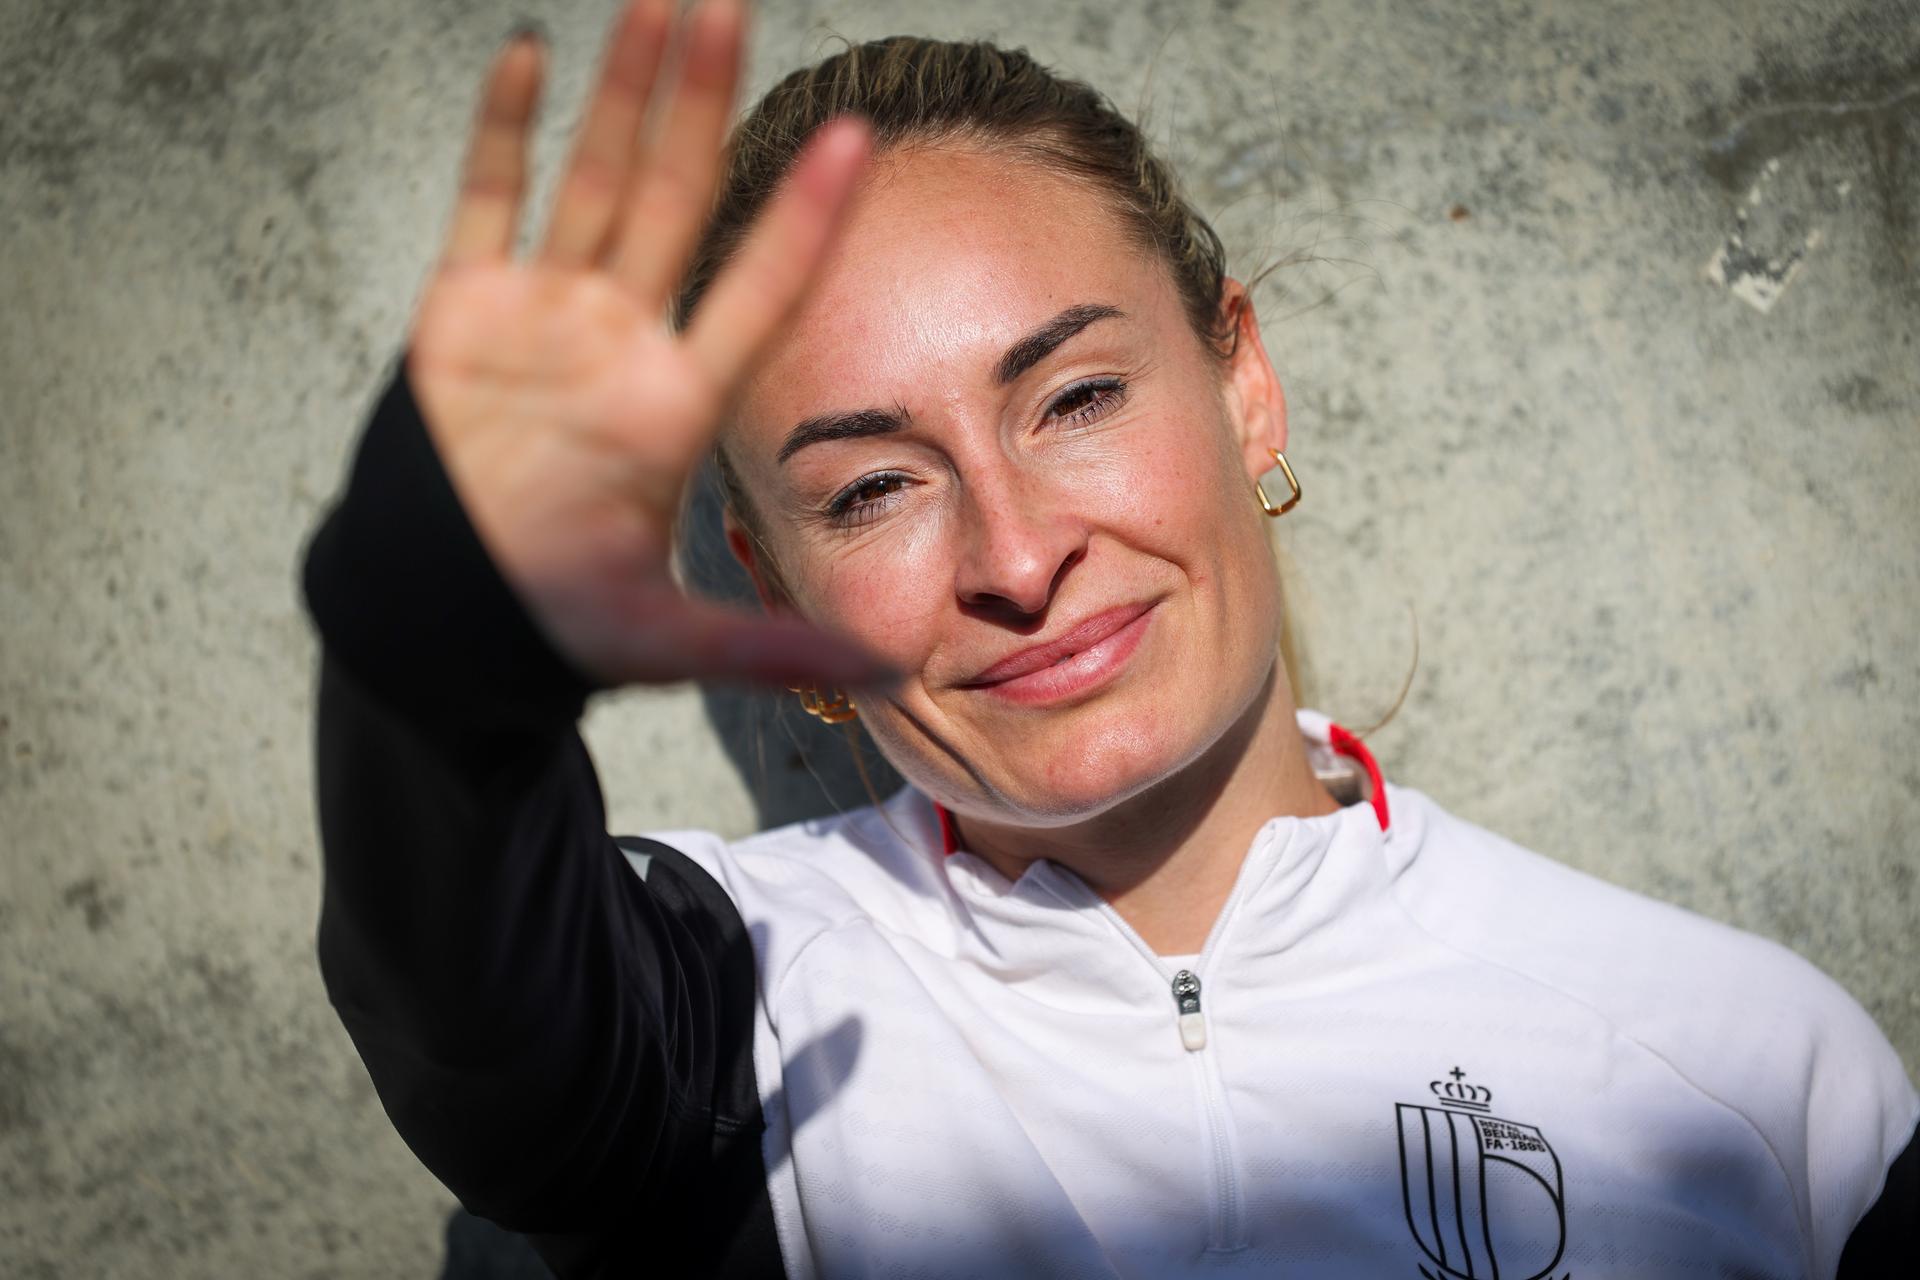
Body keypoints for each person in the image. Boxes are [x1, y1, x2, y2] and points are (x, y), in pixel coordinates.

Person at [298, 1, 1917, 1275]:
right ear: (774, 591)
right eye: (871, 490)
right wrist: (435, 624)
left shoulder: (1759, 1077)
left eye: (1075, 398)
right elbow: (471, 1000)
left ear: (1244, 384)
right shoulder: (718, 1012)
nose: (1016, 556)